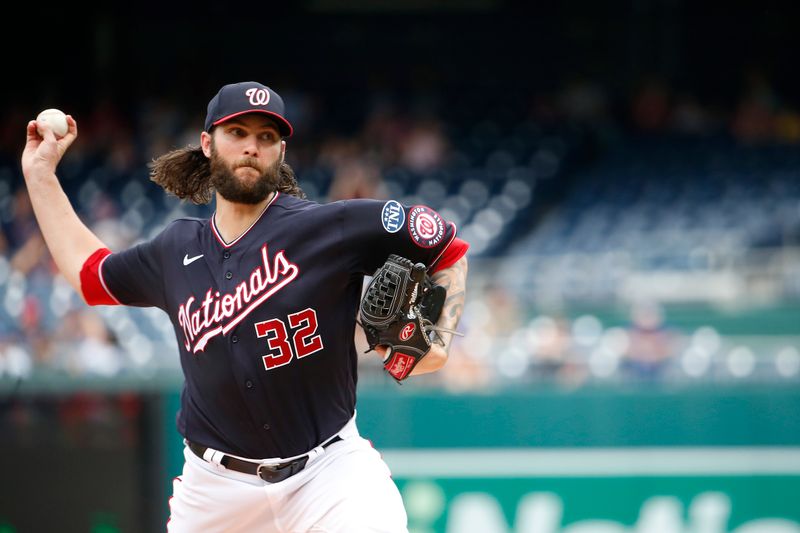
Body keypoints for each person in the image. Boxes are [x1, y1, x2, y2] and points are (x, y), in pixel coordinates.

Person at [21, 81, 469, 532]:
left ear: (281, 152)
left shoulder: (332, 227)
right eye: (237, 132)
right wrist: (40, 176)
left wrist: (439, 334)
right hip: (214, 491)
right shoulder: (174, 250)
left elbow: (448, 249)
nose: (252, 146)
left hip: (329, 476)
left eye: (267, 137)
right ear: (207, 143)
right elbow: (91, 277)